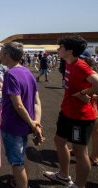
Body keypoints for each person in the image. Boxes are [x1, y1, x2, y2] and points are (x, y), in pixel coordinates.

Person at [44, 35, 98, 188]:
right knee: (59, 141)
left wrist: (83, 94)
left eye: (60, 47)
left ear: (69, 51)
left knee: (80, 152)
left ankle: (79, 185)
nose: (57, 49)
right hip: (67, 112)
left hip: (80, 117)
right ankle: (63, 175)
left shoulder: (80, 65)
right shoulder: (68, 62)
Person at [0, 42, 44, 188]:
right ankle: (20, 182)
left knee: (17, 162)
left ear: (8, 55)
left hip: (13, 125)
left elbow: (18, 105)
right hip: (25, 124)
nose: (0, 55)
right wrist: (35, 123)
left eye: (2, 52)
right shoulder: (27, 72)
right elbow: (37, 101)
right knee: (20, 157)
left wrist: (33, 124)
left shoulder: (10, 74)